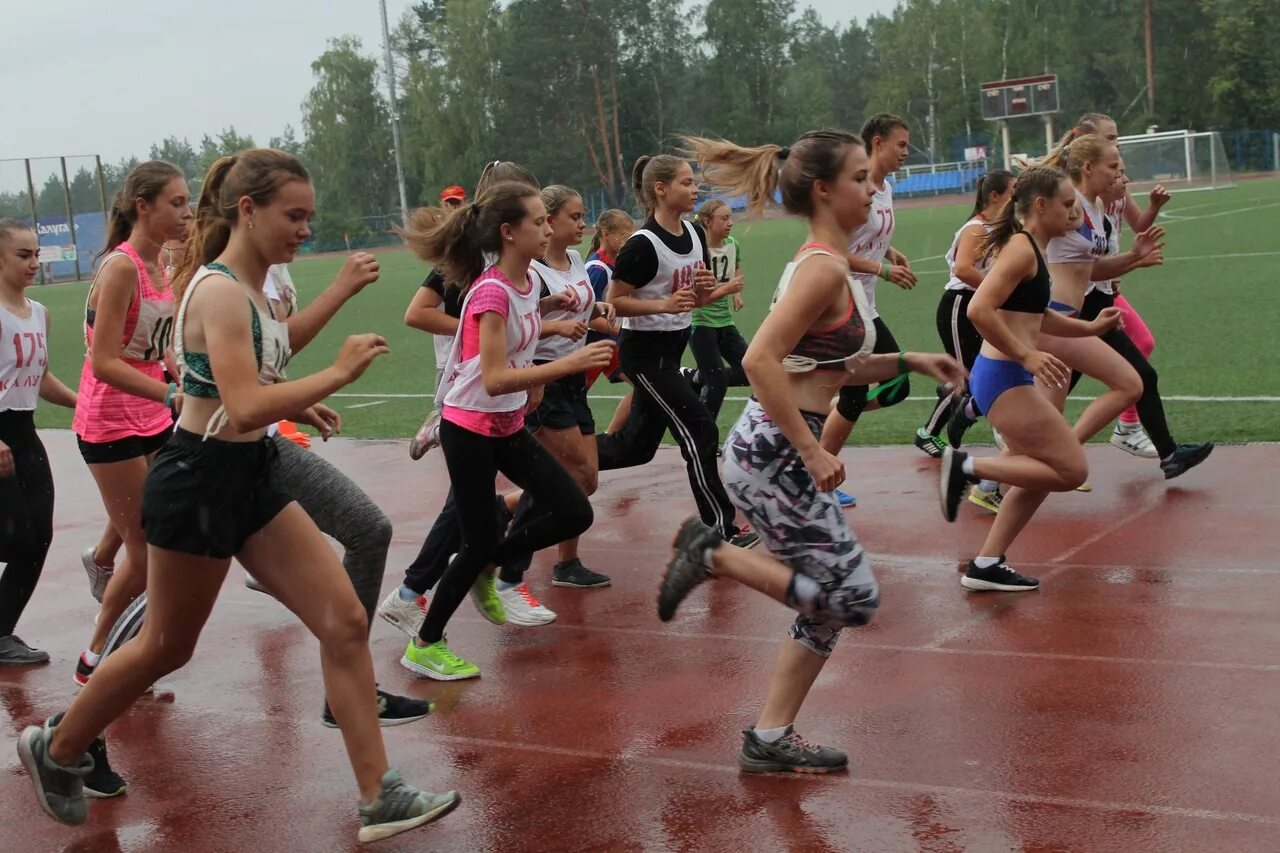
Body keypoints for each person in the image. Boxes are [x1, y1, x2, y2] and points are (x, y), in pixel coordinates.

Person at [18, 149, 460, 842]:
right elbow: (245, 401)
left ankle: (381, 795)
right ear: (248, 211)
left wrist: (304, 398)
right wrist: (335, 376)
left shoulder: (257, 290)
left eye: (310, 216)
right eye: (294, 215)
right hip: (197, 480)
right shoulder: (220, 289)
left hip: (248, 471)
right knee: (167, 643)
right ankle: (59, 745)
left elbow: (249, 380)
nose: (306, 229)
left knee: (343, 619)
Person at [658, 129, 965, 772]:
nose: (873, 185)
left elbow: (830, 367)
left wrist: (908, 359)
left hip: (772, 450)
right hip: (773, 453)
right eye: (860, 176)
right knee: (853, 598)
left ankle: (770, 737)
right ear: (824, 189)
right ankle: (711, 553)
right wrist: (812, 449)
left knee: (828, 608)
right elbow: (758, 359)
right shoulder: (823, 266)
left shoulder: (829, 261)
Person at [395, 179, 611, 680]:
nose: (546, 227)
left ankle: (488, 564)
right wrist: (564, 364)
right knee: (471, 546)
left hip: (506, 425)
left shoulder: (527, 284)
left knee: (573, 509)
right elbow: (492, 378)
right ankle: (425, 644)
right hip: (469, 430)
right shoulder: (490, 290)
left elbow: (526, 314)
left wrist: (559, 313)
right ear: (510, 233)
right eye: (538, 221)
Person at [937, 166, 1128, 591]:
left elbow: (1037, 317)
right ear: (1040, 206)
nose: (1074, 213)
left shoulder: (1033, 249)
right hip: (1002, 375)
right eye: (1066, 205)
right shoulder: (1021, 250)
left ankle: (986, 563)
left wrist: (1091, 328)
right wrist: (1027, 354)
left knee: (1037, 473)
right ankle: (965, 466)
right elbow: (978, 309)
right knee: (1071, 470)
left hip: (1007, 373)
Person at [595, 153, 758, 549]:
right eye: (686, 182)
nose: (695, 188)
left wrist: (704, 290)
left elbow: (693, 302)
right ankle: (721, 527)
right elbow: (615, 301)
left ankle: (566, 456)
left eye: (694, 182)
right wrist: (662, 305)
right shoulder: (642, 244)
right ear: (660, 189)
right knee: (700, 428)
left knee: (636, 448)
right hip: (644, 355)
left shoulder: (695, 235)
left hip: (673, 349)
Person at [71, 161, 191, 686]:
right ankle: (95, 658)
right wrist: (170, 390)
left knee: (159, 531)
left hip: (150, 413)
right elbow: (104, 361)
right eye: (177, 203)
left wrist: (181, 373)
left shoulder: (161, 262)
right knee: (146, 550)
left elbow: (155, 341)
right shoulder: (121, 268)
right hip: (110, 420)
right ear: (144, 207)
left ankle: (104, 566)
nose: (186, 213)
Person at [1039, 133, 1212, 479]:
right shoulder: (1070, 208)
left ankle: (1004, 471)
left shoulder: (1095, 208)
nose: (1122, 176)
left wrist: (1133, 259)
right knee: (1045, 411)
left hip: (1079, 316)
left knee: (1129, 381)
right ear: (1088, 168)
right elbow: (1039, 245)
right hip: (1060, 318)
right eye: (1114, 167)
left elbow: (1087, 269)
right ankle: (987, 470)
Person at [493, 185, 617, 614]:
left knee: (586, 480)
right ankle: (509, 560)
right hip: (543, 379)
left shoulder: (579, 261)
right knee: (574, 474)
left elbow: (582, 309)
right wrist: (553, 324)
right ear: (549, 221)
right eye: (575, 217)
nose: (583, 224)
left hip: (574, 377)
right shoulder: (533, 272)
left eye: (583, 216)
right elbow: (519, 323)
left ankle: (555, 553)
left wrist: (601, 310)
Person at [815, 115, 917, 508]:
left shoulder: (885, 187)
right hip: (839, 306)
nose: (906, 153)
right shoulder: (855, 187)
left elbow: (867, 234)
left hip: (865, 307)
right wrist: (881, 268)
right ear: (878, 143)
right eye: (901, 145)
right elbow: (832, 248)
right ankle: (819, 477)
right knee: (859, 395)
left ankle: (820, 419)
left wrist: (889, 250)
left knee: (896, 384)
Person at [0, 219, 78, 665]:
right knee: (12, 540)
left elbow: (40, 377)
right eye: (22, 255)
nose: (33, 263)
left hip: (24, 434)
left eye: (36, 255)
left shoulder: (39, 312)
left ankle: (1, 634)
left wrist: (80, 405)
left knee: (38, 539)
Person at [914, 169, 1015, 512]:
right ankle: (929, 433)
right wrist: (998, 286)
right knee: (968, 379)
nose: (1018, 197)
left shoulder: (1002, 229)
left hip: (980, 307)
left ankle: (948, 414)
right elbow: (962, 269)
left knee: (977, 378)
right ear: (996, 196)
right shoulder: (976, 228)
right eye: (1014, 191)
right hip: (960, 307)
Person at [682, 198, 748, 421]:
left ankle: (696, 377)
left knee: (750, 369)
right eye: (724, 218)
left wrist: (736, 293)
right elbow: (698, 299)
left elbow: (736, 268)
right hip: (700, 324)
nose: (730, 222)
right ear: (708, 222)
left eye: (731, 217)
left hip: (725, 322)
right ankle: (704, 436)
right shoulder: (698, 253)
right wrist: (728, 289)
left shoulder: (732, 244)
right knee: (717, 383)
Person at [584, 209, 634, 432]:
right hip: (593, 346)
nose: (628, 240)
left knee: (644, 384)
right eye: (623, 236)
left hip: (610, 345)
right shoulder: (597, 270)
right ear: (606, 234)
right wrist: (620, 330)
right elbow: (588, 317)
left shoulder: (618, 265)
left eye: (630, 235)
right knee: (570, 397)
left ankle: (610, 437)